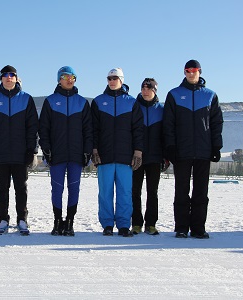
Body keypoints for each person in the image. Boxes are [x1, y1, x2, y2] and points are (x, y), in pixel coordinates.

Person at [163, 59, 223, 239]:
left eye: (194, 70)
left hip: (203, 152)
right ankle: (181, 227)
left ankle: (198, 228)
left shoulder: (210, 95)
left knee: (201, 192)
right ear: (184, 72)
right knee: (181, 191)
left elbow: (216, 123)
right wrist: (170, 147)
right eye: (188, 70)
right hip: (182, 152)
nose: (191, 73)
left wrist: (216, 146)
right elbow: (168, 124)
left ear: (200, 72)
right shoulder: (174, 94)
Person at [0, 65, 38, 235]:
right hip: (1, 154)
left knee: (21, 188)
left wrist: (31, 150)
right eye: (5, 75)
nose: (8, 77)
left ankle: (22, 219)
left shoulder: (26, 99)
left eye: (12, 75)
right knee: (1, 188)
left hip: (21, 154)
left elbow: (32, 127)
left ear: (16, 78)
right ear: (1, 79)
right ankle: (3, 219)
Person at [39, 66, 92, 236]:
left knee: (74, 188)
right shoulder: (51, 101)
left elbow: (88, 130)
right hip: (57, 154)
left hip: (76, 155)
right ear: (59, 79)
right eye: (66, 76)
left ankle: (69, 222)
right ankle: (57, 221)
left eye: (73, 77)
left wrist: (87, 151)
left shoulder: (82, 102)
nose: (70, 79)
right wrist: (46, 149)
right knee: (57, 189)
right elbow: (43, 129)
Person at [91, 68, 143, 237]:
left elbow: (138, 130)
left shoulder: (131, 102)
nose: (112, 81)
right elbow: (94, 130)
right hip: (104, 157)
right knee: (105, 192)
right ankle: (107, 224)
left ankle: (123, 224)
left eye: (115, 78)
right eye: (109, 78)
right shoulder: (98, 102)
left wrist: (138, 152)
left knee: (125, 192)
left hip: (125, 157)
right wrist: (94, 150)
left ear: (121, 80)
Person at [131, 78, 168, 235]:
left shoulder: (161, 109)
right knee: (135, 191)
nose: (145, 91)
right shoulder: (134, 107)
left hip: (155, 157)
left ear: (155, 90)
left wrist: (165, 156)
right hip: (136, 157)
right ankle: (137, 223)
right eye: (143, 88)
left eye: (149, 88)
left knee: (152, 192)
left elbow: (166, 134)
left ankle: (151, 224)